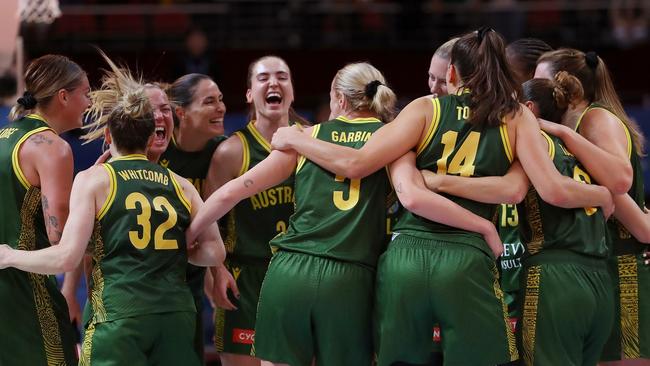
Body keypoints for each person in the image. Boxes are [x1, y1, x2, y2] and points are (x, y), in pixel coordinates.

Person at [271, 28, 613, 365]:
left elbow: (355, 163)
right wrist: (601, 192)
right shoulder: (516, 116)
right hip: (466, 258)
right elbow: (537, 189)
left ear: (452, 72)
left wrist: (297, 138)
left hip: (406, 255)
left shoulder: (424, 109)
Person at [0, 55, 226, 365]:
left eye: (164, 109)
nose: (89, 101)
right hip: (171, 313)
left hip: (115, 313)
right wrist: (175, 246)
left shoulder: (91, 178)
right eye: (85, 92)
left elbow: (67, 247)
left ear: (108, 137)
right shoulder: (182, 184)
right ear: (149, 133)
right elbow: (215, 249)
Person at [422, 71, 615, 365]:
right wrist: (603, 194)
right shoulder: (579, 149)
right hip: (599, 279)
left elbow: (521, 190)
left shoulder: (534, 142)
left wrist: (439, 182)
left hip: (556, 275)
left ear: (528, 108)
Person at [535, 49, 649, 364]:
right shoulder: (576, 126)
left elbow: (620, 184)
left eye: (541, 82)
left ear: (568, 87)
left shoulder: (595, 118)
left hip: (623, 268)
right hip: (599, 266)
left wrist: (558, 132)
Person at [202, 55, 302, 366]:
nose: (273, 82)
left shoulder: (313, 141)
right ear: (249, 93)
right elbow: (210, 225)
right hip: (245, 280)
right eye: (263, 78)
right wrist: (215, 276)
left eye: (282, 76)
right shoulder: (232, 151)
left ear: (292, 90)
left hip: (299, 276)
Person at [0, 54, 90, 366]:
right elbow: (61, 241)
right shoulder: (52, 147)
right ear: (64, 96)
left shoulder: (3, 137)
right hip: (28, 288)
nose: (89, 102)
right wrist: (91, 194)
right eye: (86, 93)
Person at [157, 73, 228, 361]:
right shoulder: (156, 148)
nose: (221, 108)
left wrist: (218, 272)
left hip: (193, 277)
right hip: (154, 275)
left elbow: (222, 224)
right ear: (181, 112)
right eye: (209, 101)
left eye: (221, 100)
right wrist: (71, 289)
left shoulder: (223, 152)